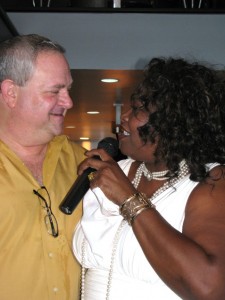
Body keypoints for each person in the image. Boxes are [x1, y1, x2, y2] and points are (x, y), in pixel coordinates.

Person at [73, 57, 225, 300]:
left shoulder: (211, 183)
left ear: (174, 122)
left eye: (138, 109)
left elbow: (210, 288)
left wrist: (129, 199)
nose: (124, 116)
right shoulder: (116, 171)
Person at [0, 34, 86, 300]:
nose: (68, 102)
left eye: (68, 89)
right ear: (11, 93)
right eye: (55, 91)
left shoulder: (80, 161)